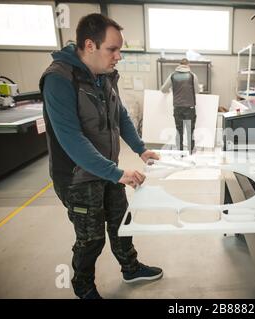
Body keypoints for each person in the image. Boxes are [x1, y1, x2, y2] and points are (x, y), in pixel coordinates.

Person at [39, 13, 162, 299]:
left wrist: (141, 149)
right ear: (90, 45)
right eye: (113, 49)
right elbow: (71, 139)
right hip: (77, 178)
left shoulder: (103, 77)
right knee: (91, 239)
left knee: (122, 223)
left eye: (120, 49)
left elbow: (120, 115)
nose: (118, 56)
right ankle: (83, 287)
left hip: (106, 170)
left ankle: (130, 268)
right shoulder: (59, 79)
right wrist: (118, 173)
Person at [160, 58, 199, 153]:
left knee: (179, 131)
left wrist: (172, 90)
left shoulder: (172, 75)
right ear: (188, 65)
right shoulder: (192, 76)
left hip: (177, 107)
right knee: (190, 131)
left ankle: (180, 153)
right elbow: (197, 91)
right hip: (190, 107)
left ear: (179, 65)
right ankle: (190, 152)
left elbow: (163, 89)